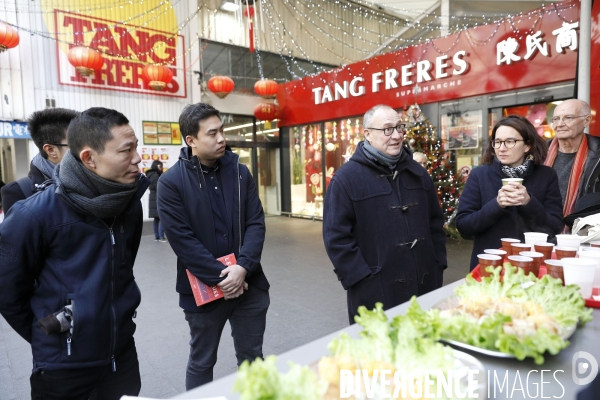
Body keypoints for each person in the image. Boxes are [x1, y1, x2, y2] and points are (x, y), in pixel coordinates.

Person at [0, 107, 149, 400]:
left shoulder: (129, 203)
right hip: (63, 368)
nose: (137, 158)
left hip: (121, 357)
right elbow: (7, 290)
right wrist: (52, 337)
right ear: (89, 158)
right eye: (126, 150)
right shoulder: (34, 214)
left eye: (136, 147)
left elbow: (122, 268)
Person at [157, 103, 269, 389]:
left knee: (253, 358)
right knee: (202, 361)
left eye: (222, 131)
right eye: (212, 133)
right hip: (203, 291)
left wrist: (243, 267)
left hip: (249, 285)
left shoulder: (240, 173)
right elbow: (182, 240)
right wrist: (226, 278)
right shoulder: (171, 183)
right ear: (191, 140)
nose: (222, 139)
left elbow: (256, 222)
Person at [323, 104, 447, 324]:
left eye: (400, 127)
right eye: (388, 129)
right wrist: (361, 280)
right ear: (368, 134)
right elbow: (336, 238)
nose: (397, 135)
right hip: (375, 294)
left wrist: (438, 265)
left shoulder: (418, 174)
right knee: (379, 355)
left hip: (425, 287)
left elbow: (435, 224)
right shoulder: (346, 179)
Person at [456, 115, 563, 270]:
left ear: (527, 145)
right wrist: (497, 204)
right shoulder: (479, 175)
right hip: (490, 266)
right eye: (497, 142)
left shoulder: (546, 175)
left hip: (532, 265)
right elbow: (464, 226)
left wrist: (529, 203)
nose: (502, 147)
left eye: (510, 141)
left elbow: (555, 226)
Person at [1, 108, 79, 214]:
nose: (87, 151)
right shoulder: (18, 191)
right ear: (51, 150)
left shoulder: (95, 181)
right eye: (77, 144)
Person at [544, 99, 599, 217]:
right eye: (556, 119)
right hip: (540, 229)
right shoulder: (538, 152)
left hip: (585, 230)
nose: (559, 124)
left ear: (587, 120)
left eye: (568, 118)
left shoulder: (598, 154)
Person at [146, 160, 166, 242]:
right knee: (162, 217)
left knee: (157, 219)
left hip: (153, 198)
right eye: (159, 166)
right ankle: (161, 236)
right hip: (157, 198)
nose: (161, 167)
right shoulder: (155, 175)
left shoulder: (151, 174)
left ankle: (157, 236)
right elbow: (159, 187)